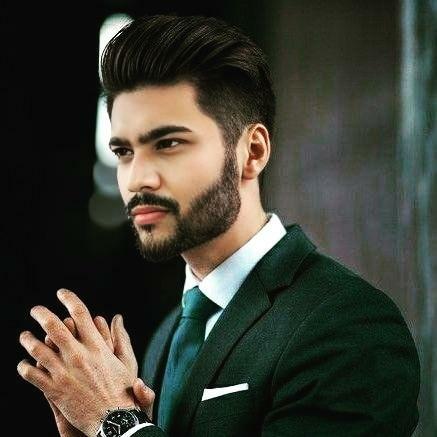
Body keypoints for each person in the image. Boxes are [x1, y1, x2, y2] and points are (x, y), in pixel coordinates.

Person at [17, 14, 420, 437]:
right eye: (124, 152)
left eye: (168, 144)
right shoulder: (166, 337)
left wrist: (116, 422)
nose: (137, 178)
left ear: (252, 151)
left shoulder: (347, 324)